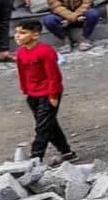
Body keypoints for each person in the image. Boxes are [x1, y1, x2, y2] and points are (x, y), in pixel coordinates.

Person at [12, 19, 73, 162]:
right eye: (16, 33)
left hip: (48, 93)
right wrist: (25, 90)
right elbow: (22, 73)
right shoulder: (21, 52)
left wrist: (53, 94)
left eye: (22, 33)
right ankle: (67, 152)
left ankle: (35, 158)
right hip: (33, 94)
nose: (17, 36)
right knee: (49, 124)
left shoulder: (45, 51)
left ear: (35, 35)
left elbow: (54, 75)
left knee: (42, 127)